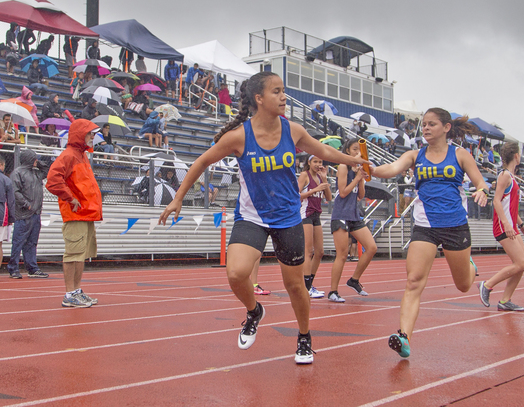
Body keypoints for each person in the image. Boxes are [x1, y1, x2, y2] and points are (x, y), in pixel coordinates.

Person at [159, 71, 367, 364]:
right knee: (236, 273)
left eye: (284, 91)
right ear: (259, 99)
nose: (284, 97)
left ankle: (304, 337)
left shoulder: (292, 131)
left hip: (288, 218)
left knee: (295, 286)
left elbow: (322, 150)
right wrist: (178, 198)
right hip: (252, 216)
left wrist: (352, 160)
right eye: (277, 91)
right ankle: (254, 311)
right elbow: (202, 161)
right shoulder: (239, 136)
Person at [371, 109, 489, 358]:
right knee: (413, 281)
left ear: (446, 128)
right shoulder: (415, 155)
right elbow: (392, 169)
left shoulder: (460, 154)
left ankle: (468, 264)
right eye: (423, 124)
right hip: (424, 226)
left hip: (455, 226)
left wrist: (481, 191)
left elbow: (481, 182)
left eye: (431, 124)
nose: (425, 128)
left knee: (463, 285)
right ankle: (404, 337)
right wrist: (370, 170)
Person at [46, 119, 102, 308]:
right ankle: (70, 293)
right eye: (90, 133)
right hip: (76, 213)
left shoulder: (81, 155)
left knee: (80, 254)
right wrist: (70, 198)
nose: (93, 137)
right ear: (80, 134)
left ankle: (76, 291)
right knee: (74, 254)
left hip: (85, 213)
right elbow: (53, 180)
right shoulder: (69, 155)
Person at [478, 142, 524, 311]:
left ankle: (505, 300)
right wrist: (507, 223)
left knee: (521, 265)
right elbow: (496, 201)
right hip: (503, 226)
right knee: (520, 263)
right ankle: (487, 285)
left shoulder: (511, 177)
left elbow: (511, 205)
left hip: (511, 225)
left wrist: (520, 224)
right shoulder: (505, 176)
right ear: (516, 156)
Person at [328, 138, 378, 302]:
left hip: (354, 214)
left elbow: (360, 196)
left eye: (360, 150)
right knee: (342, 255)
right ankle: (333, 291)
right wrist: (356, 178)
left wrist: (361, 178)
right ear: (348, 151)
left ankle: (354, 280)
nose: (358, 153)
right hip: (341, 214)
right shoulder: (343, 167)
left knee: (371, 247)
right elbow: (342, 193)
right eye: (355, 149)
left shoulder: (358, 169)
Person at [6, 149, 48, 278]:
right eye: (34, 158)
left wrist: (40, 163)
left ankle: (32, 268)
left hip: (35, 213)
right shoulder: (17, 173)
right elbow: (15, 191)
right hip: (24, 214)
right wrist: (26, 204)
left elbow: (47, 171)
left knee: (32, 242)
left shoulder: (36, 172)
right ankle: (13, 268)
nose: (36, 160)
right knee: (18, 241)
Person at [298, 154, 332, 298]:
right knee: (308, 251)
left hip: (316, 215)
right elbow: (296, 195)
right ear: (309, 162)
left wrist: (324, 179)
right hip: (305, 214)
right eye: (315, 162)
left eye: (320, 162)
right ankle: (306, 286)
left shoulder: (320, 177)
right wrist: (314, 190)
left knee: (320, 251)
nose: (318, 164)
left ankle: (309, 283)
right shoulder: (304, 176)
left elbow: (329, 198)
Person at [0, 156, 15, 274]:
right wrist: (11, 218)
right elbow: (10, 201)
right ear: (1, 165)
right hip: (1, 215)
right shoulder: (6, 180)